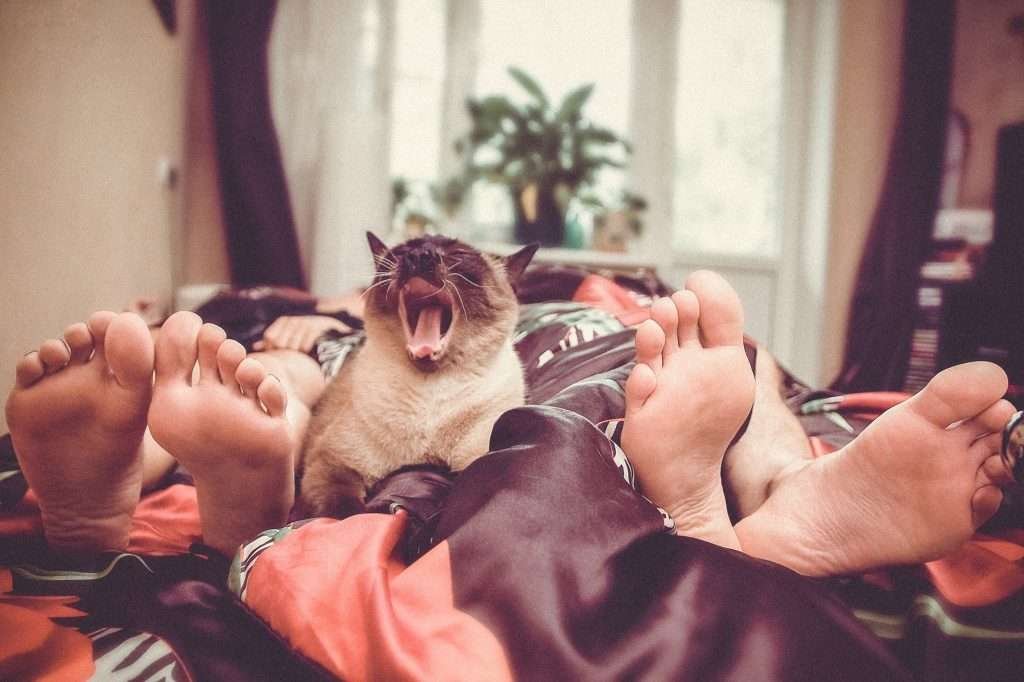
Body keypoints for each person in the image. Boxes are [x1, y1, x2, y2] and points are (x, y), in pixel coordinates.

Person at [4, 271, 1016, 577]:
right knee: (275, 371)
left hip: (584, 360)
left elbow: (682, 337)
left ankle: (789, 495)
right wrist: (296, 319)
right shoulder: (335, 314)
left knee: (730, 366)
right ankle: (140, 462)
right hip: (340, 363)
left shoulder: (623, 300)